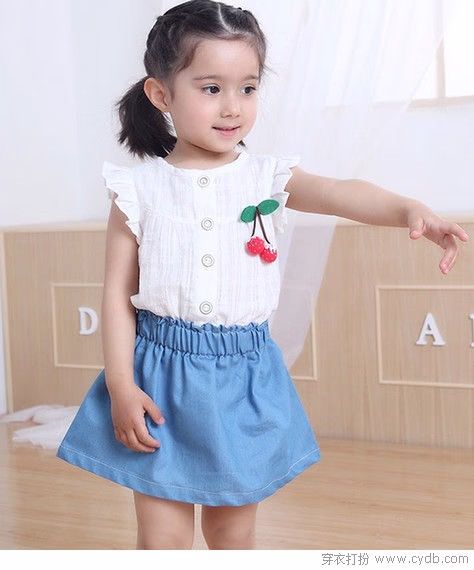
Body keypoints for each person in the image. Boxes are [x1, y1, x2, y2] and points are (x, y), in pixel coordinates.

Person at [56, 0, 469, 550]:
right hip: (158, 378)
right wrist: (120, 384)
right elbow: (115, 296)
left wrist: (408, 209)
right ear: (161, 95)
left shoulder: (268, 177)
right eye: (211, 88)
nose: (233, 107)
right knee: (161, 539)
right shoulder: (137, 189)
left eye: (248, 88)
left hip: (243, 379)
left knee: (232, 533)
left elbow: (341, 193)